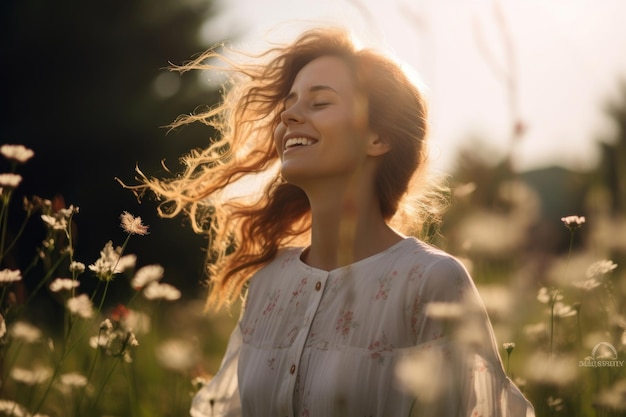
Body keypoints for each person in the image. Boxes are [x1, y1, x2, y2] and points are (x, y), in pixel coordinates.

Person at [137, 26, 535, 417]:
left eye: (319, 102)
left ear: (377, 138)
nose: (289, 115)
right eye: (289, 103)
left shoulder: (430, 280)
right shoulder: (266, 285)